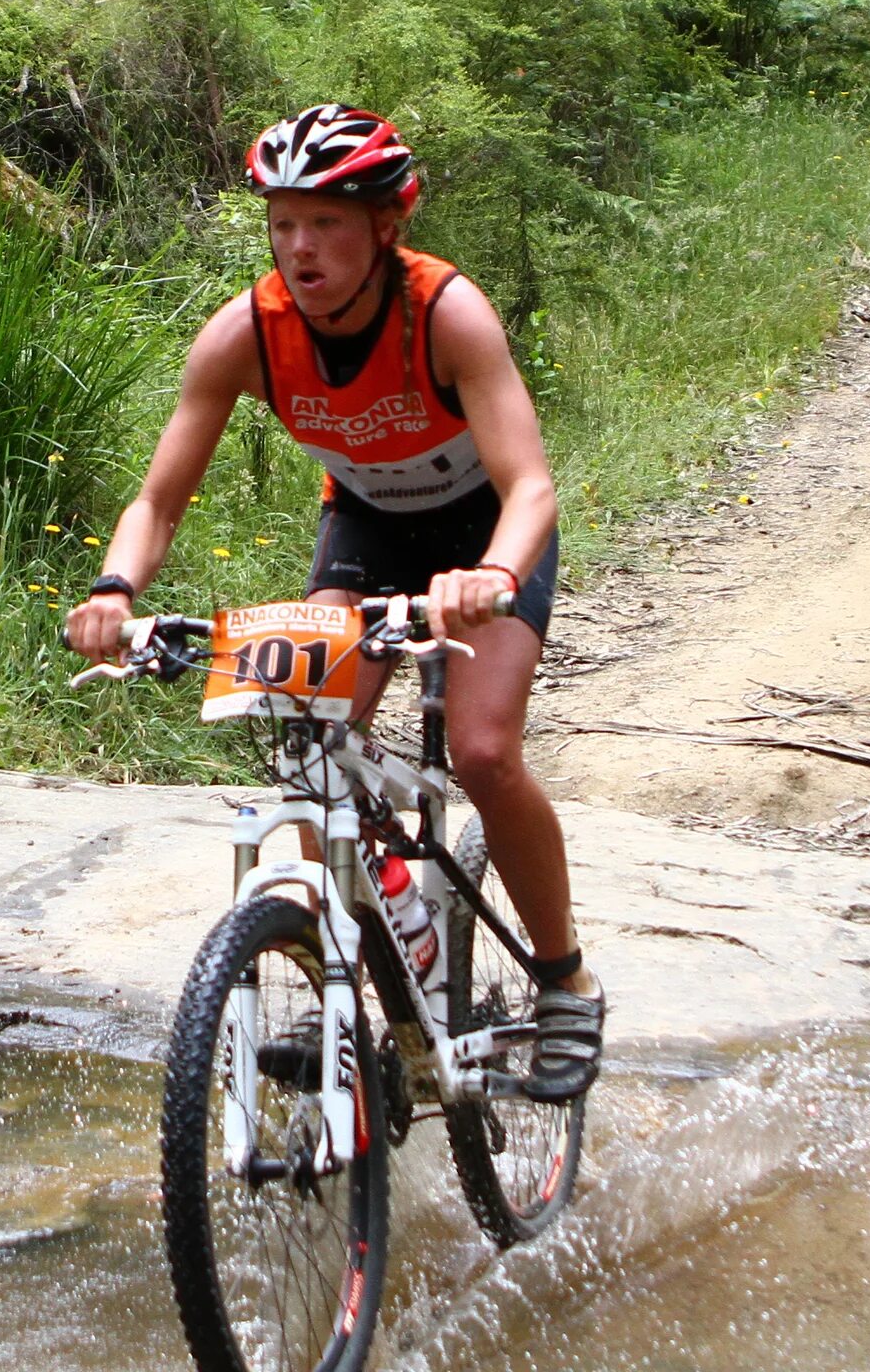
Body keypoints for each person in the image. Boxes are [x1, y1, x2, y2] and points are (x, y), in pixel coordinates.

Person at [63, 104, 603, 1102]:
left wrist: (489, 574)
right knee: (308, 740)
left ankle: (565, 982)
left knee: (483, 751)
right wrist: (113, 588)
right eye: (282, 223)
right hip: (369, 528)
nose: (300, 247)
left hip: (486, 534)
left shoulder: (448, 311)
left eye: (327, 223)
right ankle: (364, 955)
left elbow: (531, 484)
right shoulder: (245, 333)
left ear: (384, 227)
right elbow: (157, 498)